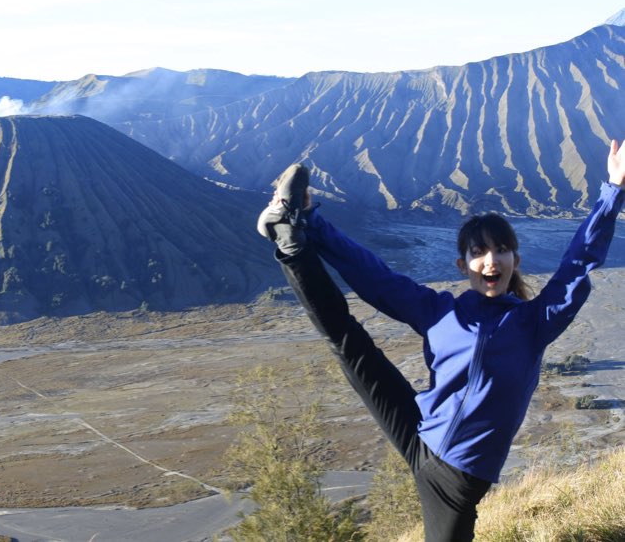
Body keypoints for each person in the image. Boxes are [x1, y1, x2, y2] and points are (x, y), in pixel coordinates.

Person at [255, 140, 625, 541]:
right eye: (478, 251)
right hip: (419, 427)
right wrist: (317, 223)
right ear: (462, 265)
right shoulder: (439, 310)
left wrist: (613, 189)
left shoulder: (534, 322)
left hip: (454, 478)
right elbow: (374, 277)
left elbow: (577, 264)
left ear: (515, 261)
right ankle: (292, 235)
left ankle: (297, 226)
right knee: (348, 340)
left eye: (502, 250)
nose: (491, 260)